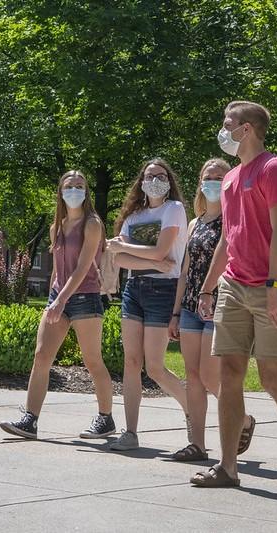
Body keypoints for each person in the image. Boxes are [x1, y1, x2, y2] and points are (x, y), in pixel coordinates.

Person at [191, 101, 277, 488]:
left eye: (226, 123)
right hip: (234, 284)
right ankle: (227, 467)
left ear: (246, 129)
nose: (222, 129)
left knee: (271, 377)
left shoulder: (275, 169)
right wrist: (207, 286)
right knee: (229, 374)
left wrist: (275, 288)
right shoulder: (230, 179)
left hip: (274, 284)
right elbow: (228, 241)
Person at [0, 170, 116, 440]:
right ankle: (30, 420)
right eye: (69, 186)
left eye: (79, 186)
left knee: (92, 361)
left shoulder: (92, 223)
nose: (74, 190)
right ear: (61, 192)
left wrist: (62, 299)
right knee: (41, 356)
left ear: (86, 192)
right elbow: (57, 269)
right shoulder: (58, 226)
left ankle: (106, 418)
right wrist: (55, 297)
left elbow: (82, 267)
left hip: (85, 296)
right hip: (58, 296)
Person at [169, 158, 256, 462]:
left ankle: (243, 420)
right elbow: (184, 271)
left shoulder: (233, 218)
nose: (213, 182)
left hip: (220, 304)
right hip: (192, 305)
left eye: (219, 177)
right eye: (208, 177)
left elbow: (230, 261)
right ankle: (197, 445)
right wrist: (176, 311)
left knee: (209, 377)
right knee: (192, 376)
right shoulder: (196, 222)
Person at [106, 158, 189, 451]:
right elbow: (120, 260)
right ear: (141, 181)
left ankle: (192, 407)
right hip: (134, 289)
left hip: (163, 291)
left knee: (154, 367)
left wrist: (126, 247)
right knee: (131, 362)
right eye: (150, 175)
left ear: (169, 181)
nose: (155, 180)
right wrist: (150, 258)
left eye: (161, 175)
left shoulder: (174, 209)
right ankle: (130, 432)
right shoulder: (133, 216)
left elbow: (162, 251)